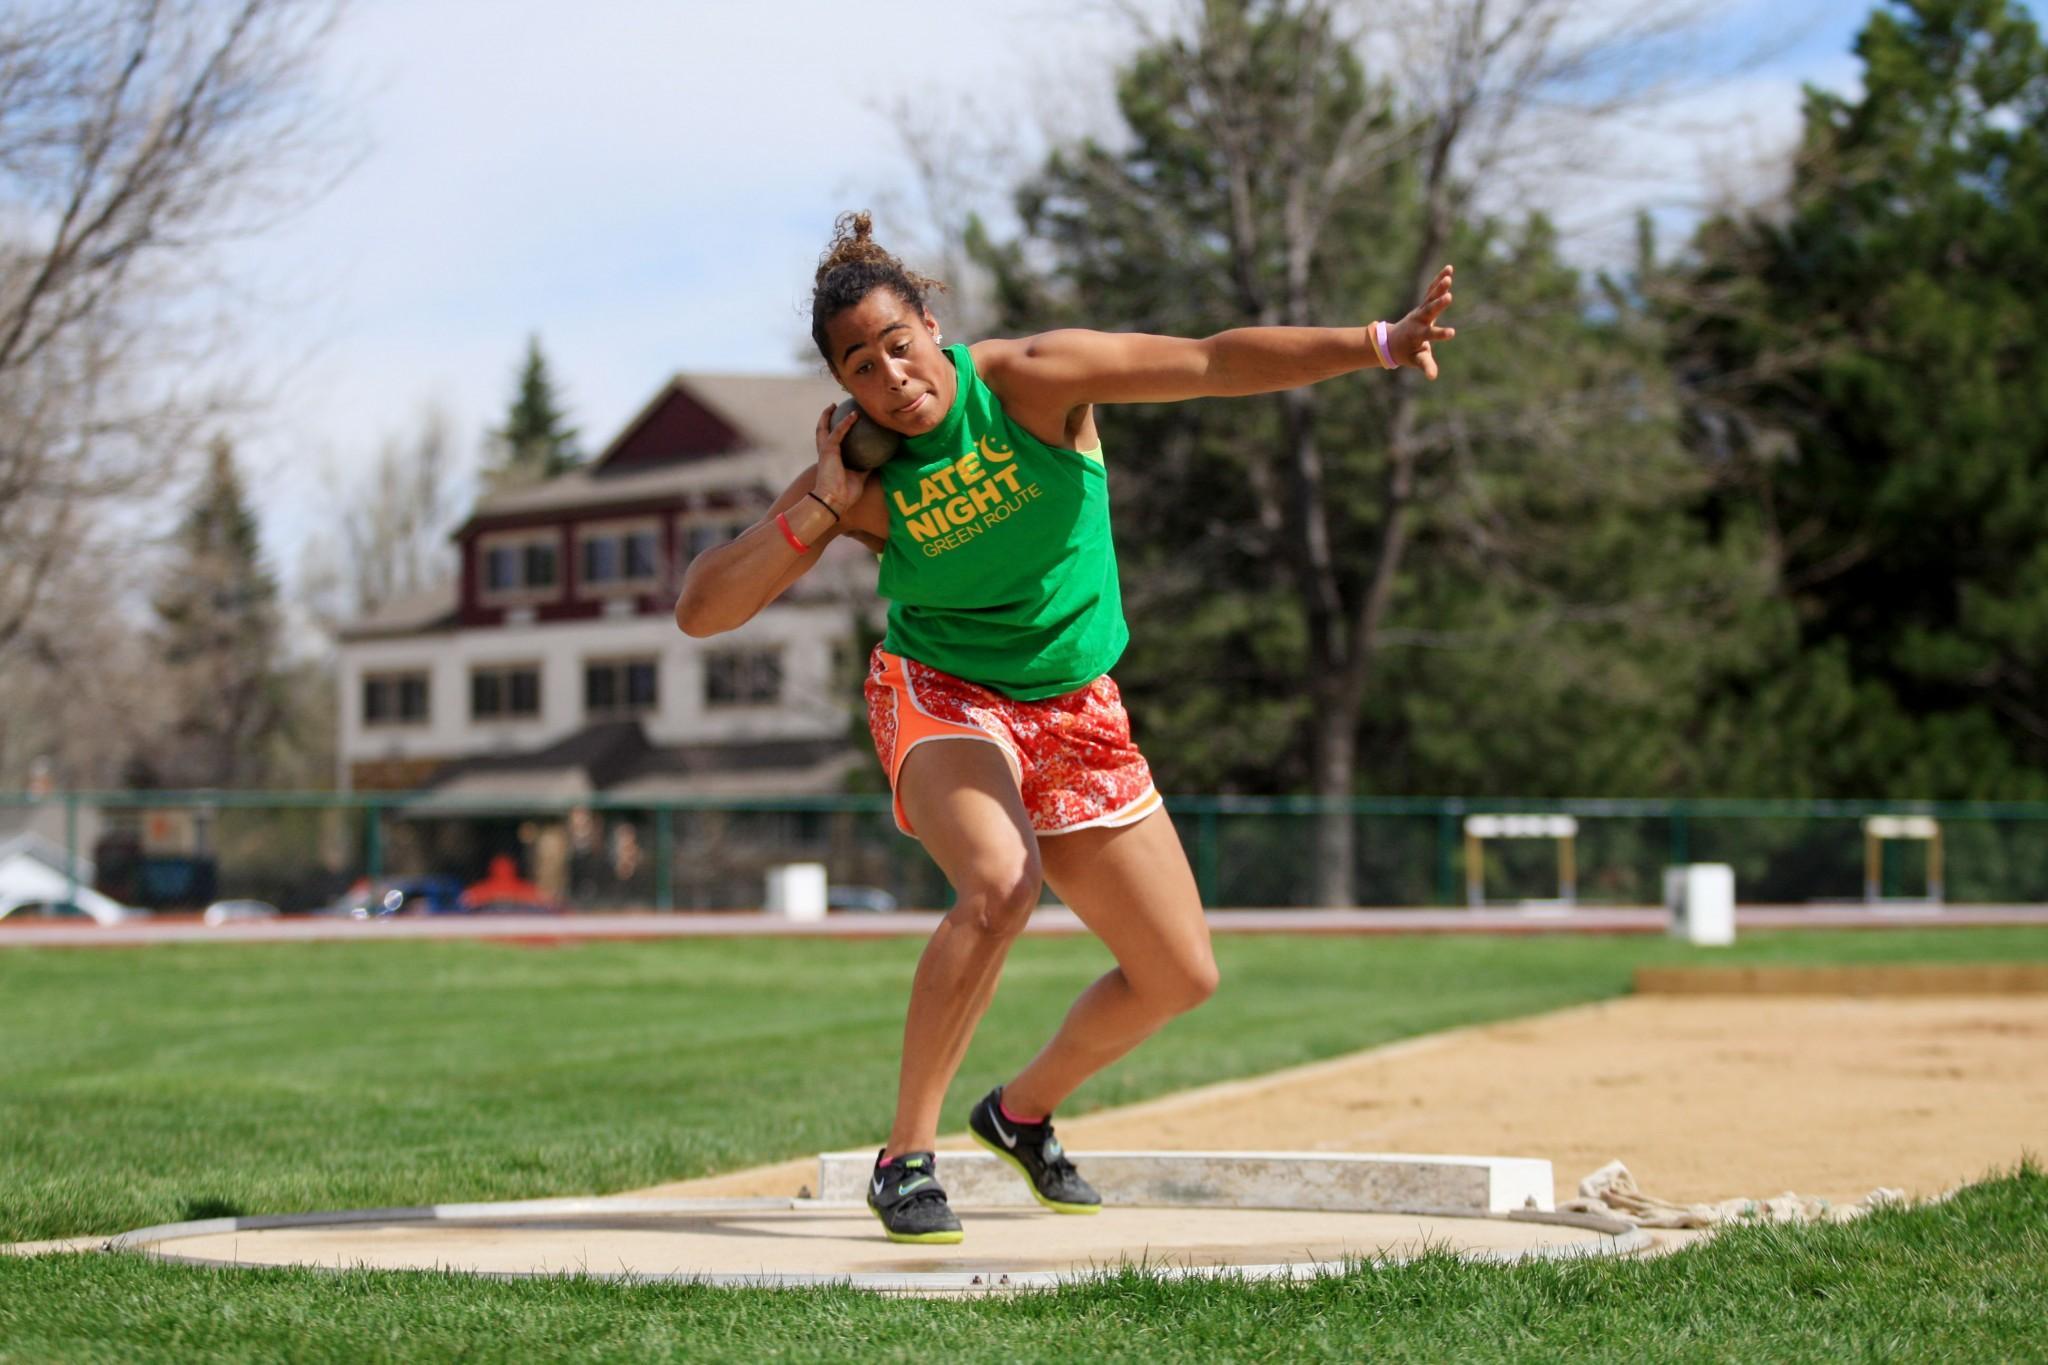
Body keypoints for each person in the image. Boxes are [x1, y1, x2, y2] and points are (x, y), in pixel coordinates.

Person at [675, 211, 1456, 1244]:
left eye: (896, 344)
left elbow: (1210, 363)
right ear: (841, 384)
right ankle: (904, 1158)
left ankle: (1019, 1112)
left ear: (930, 325)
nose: (889, 378)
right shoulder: (858, 478)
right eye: (858, 367)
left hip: (1073, 705)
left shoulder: (1034, 381)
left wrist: (1376, 343)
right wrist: (820, 509)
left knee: (1178, 973)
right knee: (1000, 881)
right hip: (942, 692)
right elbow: (702, 609)